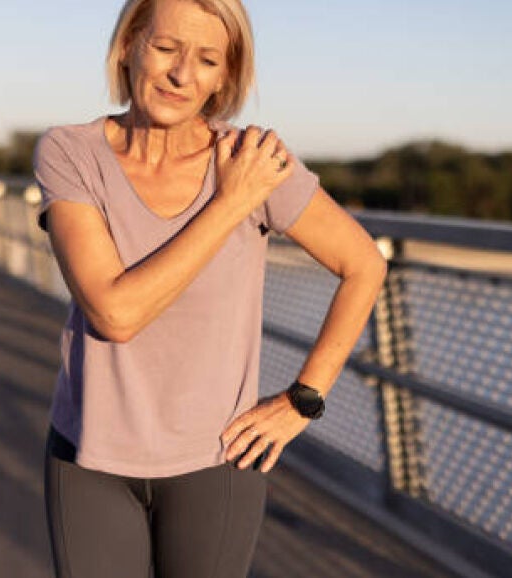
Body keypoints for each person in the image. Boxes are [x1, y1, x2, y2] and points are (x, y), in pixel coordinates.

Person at [33, 0, 387, 576]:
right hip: (89, 459)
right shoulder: (70, 152)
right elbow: (115, 315)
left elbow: (364, 265)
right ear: (129, 46)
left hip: (217, 463)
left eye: (206, 59)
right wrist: (229, 203)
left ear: (226, 75)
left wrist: (303, 401)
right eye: (165, 48)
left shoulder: (254, 162)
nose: (181, 74)